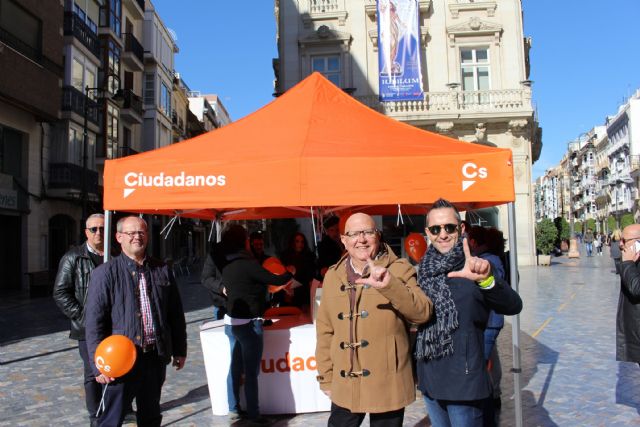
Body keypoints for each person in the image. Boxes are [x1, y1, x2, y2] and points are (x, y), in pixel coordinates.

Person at [315, 213, 432, 426]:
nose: (361, 239)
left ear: (377, 236)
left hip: (388, 382)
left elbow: (422, 312)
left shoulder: (399, 269)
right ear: (343, 239)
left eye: (368, 232)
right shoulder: (333, 276)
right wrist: (326, 376)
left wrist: (390, 285)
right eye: (353, 234)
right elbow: (325, 331)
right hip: (346, 381)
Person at [415, 199, 522, 427]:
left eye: (449, 227)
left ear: (461, 228)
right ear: (427, 233)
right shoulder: (423, 270)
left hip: (465, 383)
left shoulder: (476, 265)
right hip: (430, 379)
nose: (442, 234)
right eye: (435, 229)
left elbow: (513, 305)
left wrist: (487, 281)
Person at [85, 216, 187, 427]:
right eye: (131, 233)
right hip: (121, 360)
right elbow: (94, 323)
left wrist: (180, 349)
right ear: (119, 237)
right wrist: (99, 366)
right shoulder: (104, 274)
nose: (137, 237)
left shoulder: (162, 269)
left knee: (150, 416)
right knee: (112, 417)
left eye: (141, 232)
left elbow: (175, 314)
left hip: (154, 356)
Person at [221, 224, 294, 424]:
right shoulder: (248, 264)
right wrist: (290, 272)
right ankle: (254, 414)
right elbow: (274, 279)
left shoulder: (226, 264)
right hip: (249, 324)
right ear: (243, 242)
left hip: (231, 323)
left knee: (235, 368)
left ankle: (233, 408)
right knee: (251, 372)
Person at [53, 213, 106, 427]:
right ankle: (95, 416)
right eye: (94, 229)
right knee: (93, 373)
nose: (98, 233)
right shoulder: (73, 257)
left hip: (115, 326)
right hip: (86, 329)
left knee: (118, 369)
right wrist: (83, 316)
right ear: (86, 232)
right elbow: (60, 292)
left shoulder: (114, 255)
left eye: (102, 228)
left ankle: (118, 408)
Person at [466, 226, 507, 422]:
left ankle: (486, 406)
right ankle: (494, 395)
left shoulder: (488, 261)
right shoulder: (492, 258)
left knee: (480, 365)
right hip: (491, 320)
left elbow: (492, 292)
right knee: (490, 359)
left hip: (489, 320)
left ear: (475, 242)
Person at [616, 223, 640, 367]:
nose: (620, 244)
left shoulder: (630, 262)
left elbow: (636, 288)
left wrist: (628, 263)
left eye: (624, 240)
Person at [280, 232, 317, 308]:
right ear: (292, 242)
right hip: (286, 294)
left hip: (303, 296)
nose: (300, 244)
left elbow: (310, 279)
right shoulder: (285, 256)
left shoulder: (309, 257)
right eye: (297, 241)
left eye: (302, 242)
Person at [201, 240, 228, 320]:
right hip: (222, 304)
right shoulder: (215, 255)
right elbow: (206, 278)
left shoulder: (244, 253)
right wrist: (221, 288)